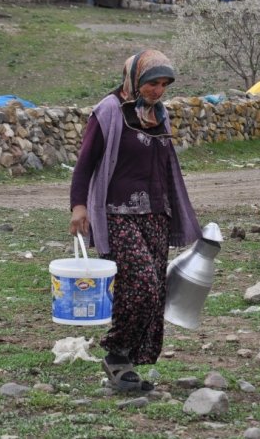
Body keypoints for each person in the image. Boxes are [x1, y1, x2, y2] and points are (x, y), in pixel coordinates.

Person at [69, 49, 202, 391]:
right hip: (117, 213)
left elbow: (164, 165)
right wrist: (78, 207)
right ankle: (115, 353)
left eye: (163, 84)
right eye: (151, 83)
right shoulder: (110, 112)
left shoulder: (159, 115)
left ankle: (125, 364)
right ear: (133, 79)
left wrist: (174, 209)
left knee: (154, 291)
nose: (158, 90)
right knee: (141, 284)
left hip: (156, 214)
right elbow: (85, 164)